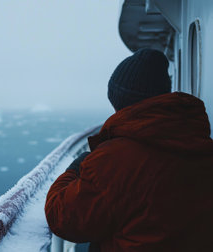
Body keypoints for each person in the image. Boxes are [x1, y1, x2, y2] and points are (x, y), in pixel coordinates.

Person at [45, 48, 213, 251]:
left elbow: (63, 218)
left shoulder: (114, 159)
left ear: (121, 102)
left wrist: (73, 170)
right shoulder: (201, 145)